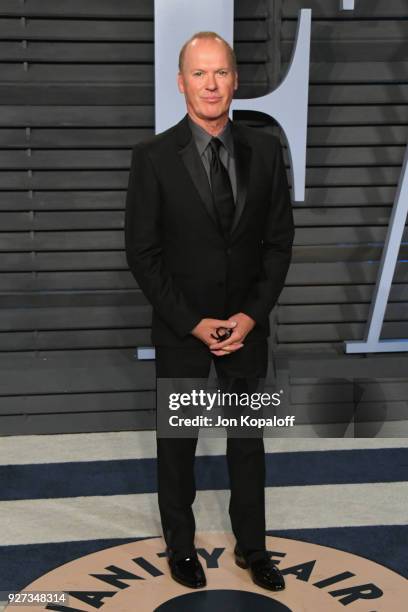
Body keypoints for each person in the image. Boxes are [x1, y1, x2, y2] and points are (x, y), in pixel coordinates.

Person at [125, 31, 294, 591]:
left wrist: (248, 317)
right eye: (199, 74)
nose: (211, 84)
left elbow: (279, 244)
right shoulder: (151, 159)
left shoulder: (267, 151)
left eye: (220, 72)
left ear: (235, 79)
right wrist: (193, 323)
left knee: (249, 445)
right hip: (182, 330)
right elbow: (143, 255)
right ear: (181, 83)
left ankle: (253, 549)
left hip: (248, 328)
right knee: (178, 447)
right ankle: (180, 548)